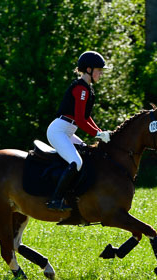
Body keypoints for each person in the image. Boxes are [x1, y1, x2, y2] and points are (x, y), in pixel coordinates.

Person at [45, 51, 112, 211]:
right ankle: (55, 200)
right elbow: (80, 120)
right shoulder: (81, 89)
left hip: (67, 131)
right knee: (76, 162)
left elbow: (87, 118)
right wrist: (96, 134)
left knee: (86, 153)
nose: (101, 74)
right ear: (88, 69)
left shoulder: (88, 89)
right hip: (58, 131)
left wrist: (100, 132)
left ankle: (76, 194)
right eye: (99, 70)